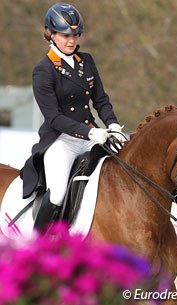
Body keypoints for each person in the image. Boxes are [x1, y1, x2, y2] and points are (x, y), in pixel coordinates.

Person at [20, 2, 125, 231]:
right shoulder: (44, 70)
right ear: (50, 34)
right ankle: (39, 244)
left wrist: (113, 125)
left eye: (76, 35)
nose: (72, 40)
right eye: (65, 35)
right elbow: (54, 118)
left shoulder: (86, 61)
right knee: (57, 194)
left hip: (91, 137)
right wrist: (90, 131)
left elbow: (101, 100)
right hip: (61, 141)